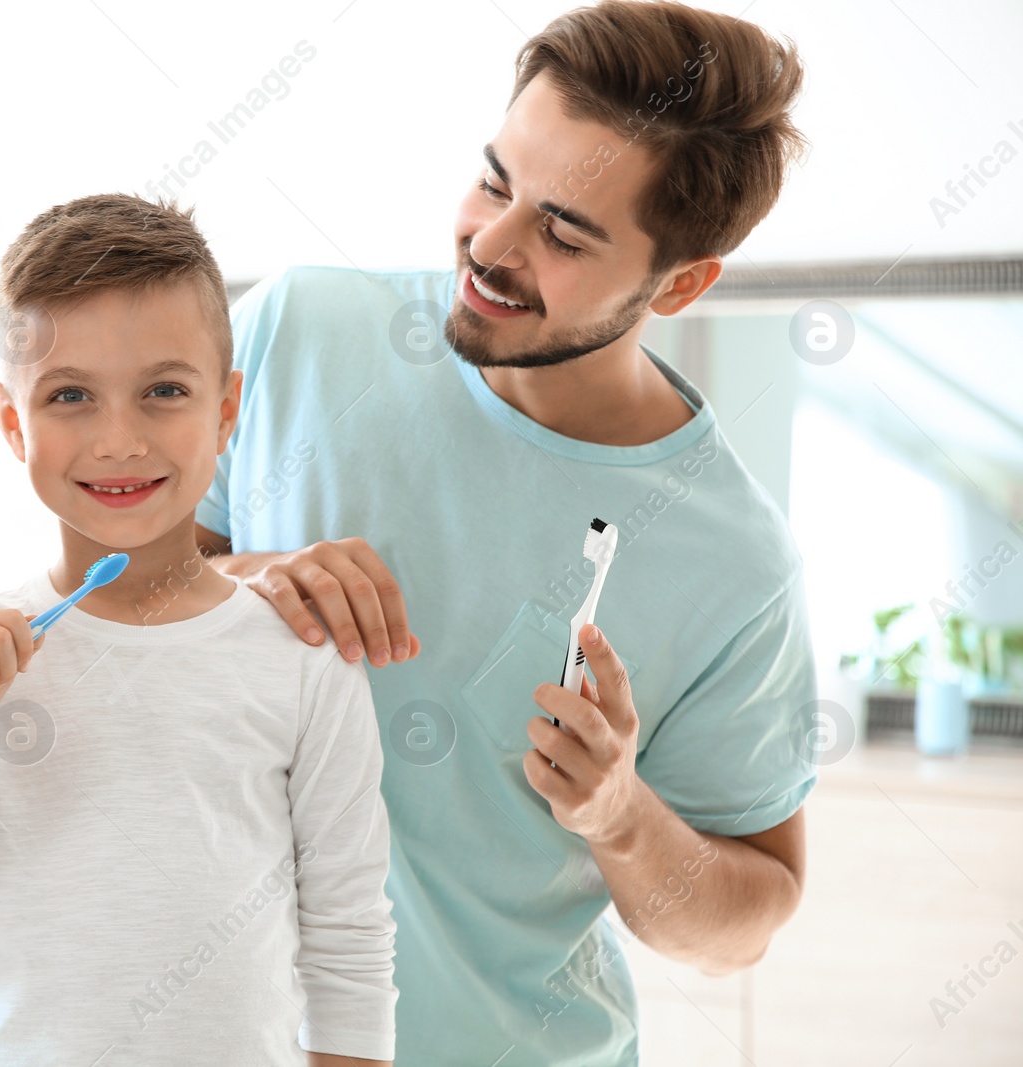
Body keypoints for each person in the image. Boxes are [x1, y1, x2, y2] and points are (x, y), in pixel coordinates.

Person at [195, 3, 815, 1064]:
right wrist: (237, 581)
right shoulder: (294, 329)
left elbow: (745, 920)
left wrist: (621, 814)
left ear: (681, 281)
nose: (488, 243)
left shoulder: (735, 561)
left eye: (563, 232)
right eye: (493, 179)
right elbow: (103, 598)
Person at [0, 193, 397, 1066]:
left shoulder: (303, 660)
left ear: (226, 410)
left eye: (164, 391)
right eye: (70, 396)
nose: (120, 439)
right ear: (12, 422)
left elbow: (350, 950)